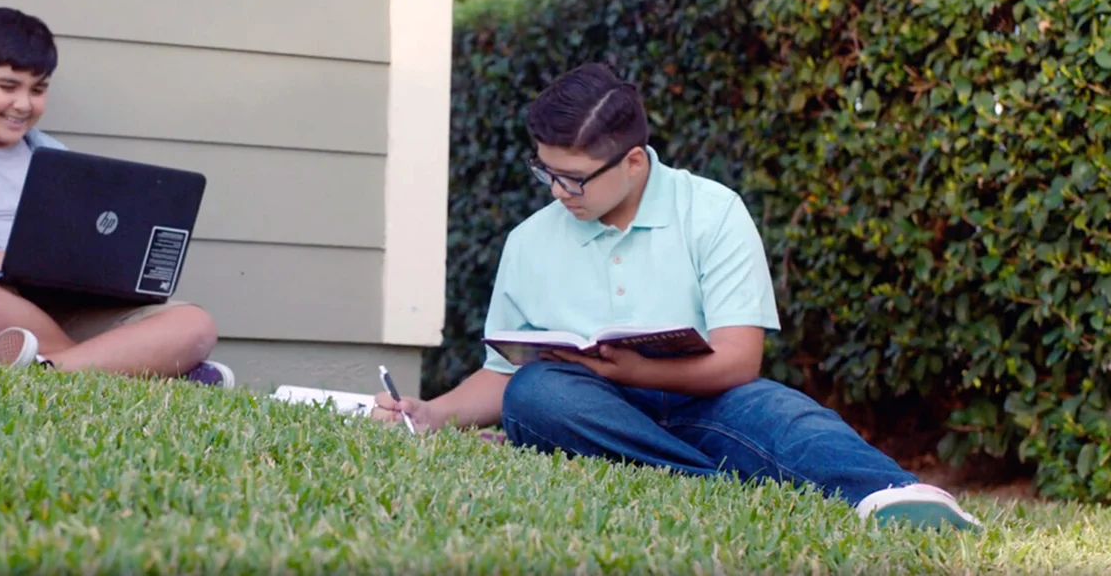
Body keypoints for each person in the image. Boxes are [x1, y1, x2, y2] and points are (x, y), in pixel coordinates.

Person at [372, 62, 981, 530]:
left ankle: (896, 496)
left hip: (710, 398)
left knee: (783, 415)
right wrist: (432, 413)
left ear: (633, 162)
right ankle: (720, 485)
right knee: (536, 396)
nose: (558, 191)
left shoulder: (712, 211)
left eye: (574, 178)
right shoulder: (529, 242)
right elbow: (504, 374)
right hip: (594, 407)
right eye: (546, 173)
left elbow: (739, 360)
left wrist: (638, 368)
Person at [0, 7, 234, 387]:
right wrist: (10, 262)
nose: (23, 104)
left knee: (194, 323)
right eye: (8, 86)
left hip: (59, 309)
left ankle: (46, 369)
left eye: (38, 89)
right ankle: (138, 373)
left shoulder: (58, 160)